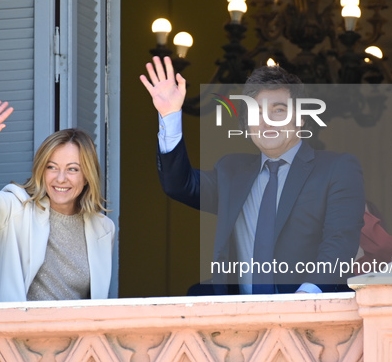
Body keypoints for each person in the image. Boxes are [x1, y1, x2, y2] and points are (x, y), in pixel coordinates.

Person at [140, 56, 365, 294]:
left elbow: (339, 242)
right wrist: (170, 115)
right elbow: (179, 184)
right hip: (241, 319)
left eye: (278, 110)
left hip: (310, 315)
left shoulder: (337, 169)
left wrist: (306, 297)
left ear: (300, 118)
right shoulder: (232, 171)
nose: (266, 122)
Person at [0, 101, 115, 302]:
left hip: (76, 332)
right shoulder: (16, 208)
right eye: (52, 167)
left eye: (72, 169)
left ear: (87, 175)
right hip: (22, 331)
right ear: (41, 170)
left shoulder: (104, 228)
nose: (61, 178)